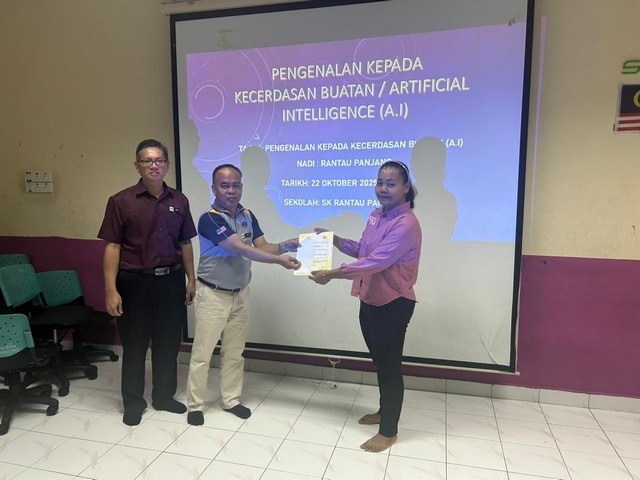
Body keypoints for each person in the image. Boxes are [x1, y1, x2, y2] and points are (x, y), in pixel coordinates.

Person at [308, 160, 421, 453]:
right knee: (380, 363)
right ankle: (384, 412)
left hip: (392, 304)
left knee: (390, 367)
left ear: (405, 188)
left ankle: (389, 432)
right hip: (369, 299)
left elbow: (376, 262)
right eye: (380, 182)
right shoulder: (376, 215)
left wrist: (331, 274)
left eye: (391, 183)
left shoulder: (406, 224)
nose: (383, 188)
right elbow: (364, 250)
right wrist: (334, 240)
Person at [186, 164, 301, 426]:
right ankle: (195, 405)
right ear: (214, 188)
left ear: (241, 187)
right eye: (224, 185)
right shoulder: (210, 219)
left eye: (236, 185)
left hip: (240, 293)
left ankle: (231, 400)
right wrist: (279, 261)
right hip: (212, 295)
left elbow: (263, 246)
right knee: (203, 354)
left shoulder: (247, 215)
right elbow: (240, 248)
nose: (231, 190)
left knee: (235, 352)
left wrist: (286, 245)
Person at [98, 139, 197, 426]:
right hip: (134, 284)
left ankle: (163, 396)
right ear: (137, 166)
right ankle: (133, 402)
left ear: (167, 165)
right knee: (135, 345)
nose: (154, 165)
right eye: (147, 160)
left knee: (168, 343)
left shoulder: (179, 200)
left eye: (159, 160)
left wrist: (191, 279)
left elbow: (185, 243)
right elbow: (112, 247)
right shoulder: (121, 201)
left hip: (171, 281)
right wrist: (110, 289)